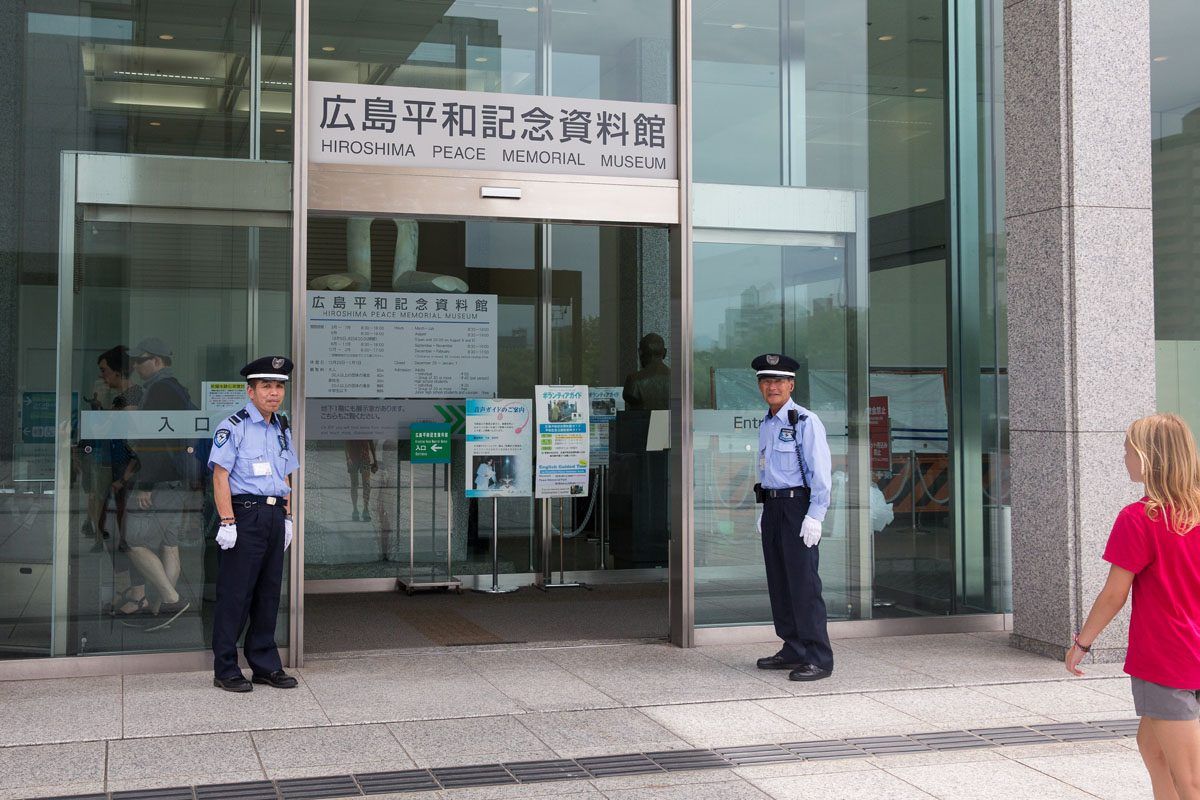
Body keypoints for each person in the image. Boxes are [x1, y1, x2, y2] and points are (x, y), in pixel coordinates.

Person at [1066, 413, 1200, 799]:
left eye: (1128, 451)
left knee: (1190, 779)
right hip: (1190, 657)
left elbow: (1114, 594)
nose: (1124, 458)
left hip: (1166, 659)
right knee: (1153, 747)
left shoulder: (1139, 518)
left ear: (1149, 458)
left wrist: (1083, 643)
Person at [208, 356, 299, 693]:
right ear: (250, 391)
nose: (274, 393)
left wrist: (288, 516)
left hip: (274, 515)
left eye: (279, 386)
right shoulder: (233, 426)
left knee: (268, 593)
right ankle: (226, 668)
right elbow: (220, 475)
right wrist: (227, 520)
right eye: (266, 386)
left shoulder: (282, 426)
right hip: (244, 514)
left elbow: (287, 472)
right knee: (235, 594)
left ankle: (264, 664)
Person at [751, 353, 834, 681]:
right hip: (773, 507)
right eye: (765, 381)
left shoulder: (805, 421)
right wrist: (764, 510)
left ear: (791, 384)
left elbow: (820, 472)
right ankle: (793, 647)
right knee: (780, 582)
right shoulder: (767, 423)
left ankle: (819, 656)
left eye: (778, 381)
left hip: (798, 507)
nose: (771, 387)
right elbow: (765, 469)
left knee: (803, 584)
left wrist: (816, 515)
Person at [119, 337, 194, 629]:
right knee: (169, 544)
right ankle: (159, 612)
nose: (136, 365)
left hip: (160, 479)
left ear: (158, 361)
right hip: (177, 479)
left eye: (141, 360)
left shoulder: (160, 390)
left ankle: (172, 600)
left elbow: (156, 442)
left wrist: (146, 483)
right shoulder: (176, 388)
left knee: (133, 541)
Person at [622, 333, 670, 411]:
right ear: (665, 352)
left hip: (642, 422)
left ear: (640, 353)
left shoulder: (633, 380)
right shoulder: (679, 381)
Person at [344, 439, 377, 522]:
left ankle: (365, 509)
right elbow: (346, 442)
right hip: (353, 457)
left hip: (364, 457)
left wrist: (375, 460)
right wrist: (347, 458)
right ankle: (355, 509)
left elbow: (371, 442)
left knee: (366, 484)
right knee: (355, 484)